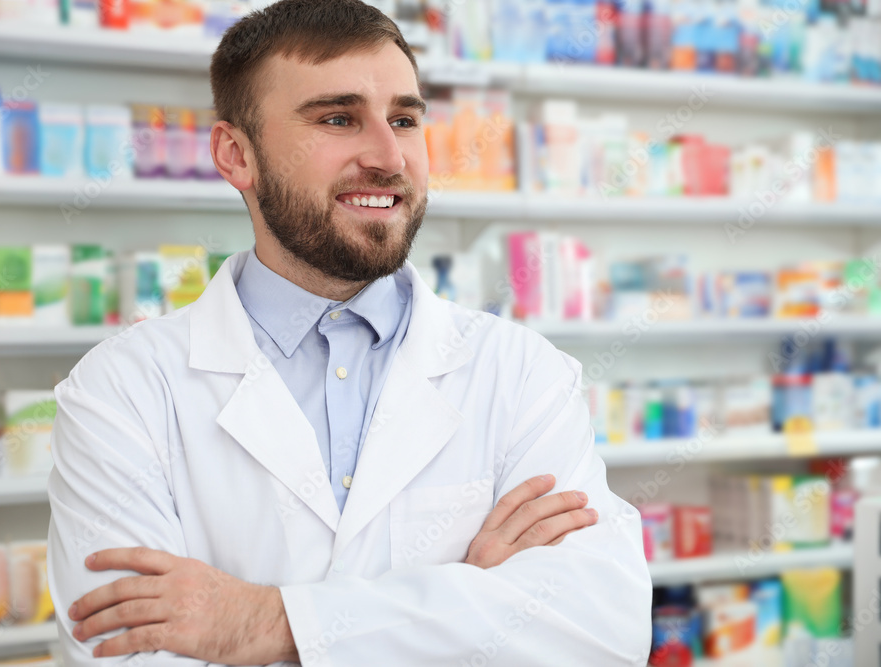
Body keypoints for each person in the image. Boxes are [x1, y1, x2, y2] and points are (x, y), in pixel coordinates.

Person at [46, 1, 652, 664]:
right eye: (338, 118)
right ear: (234, 154)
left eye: (404, 119)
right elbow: (123, 653)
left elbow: (602, 630)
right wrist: (471, 601)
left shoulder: (522, 373)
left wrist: (270, 621)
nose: (390, 157)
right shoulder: (121, 392)